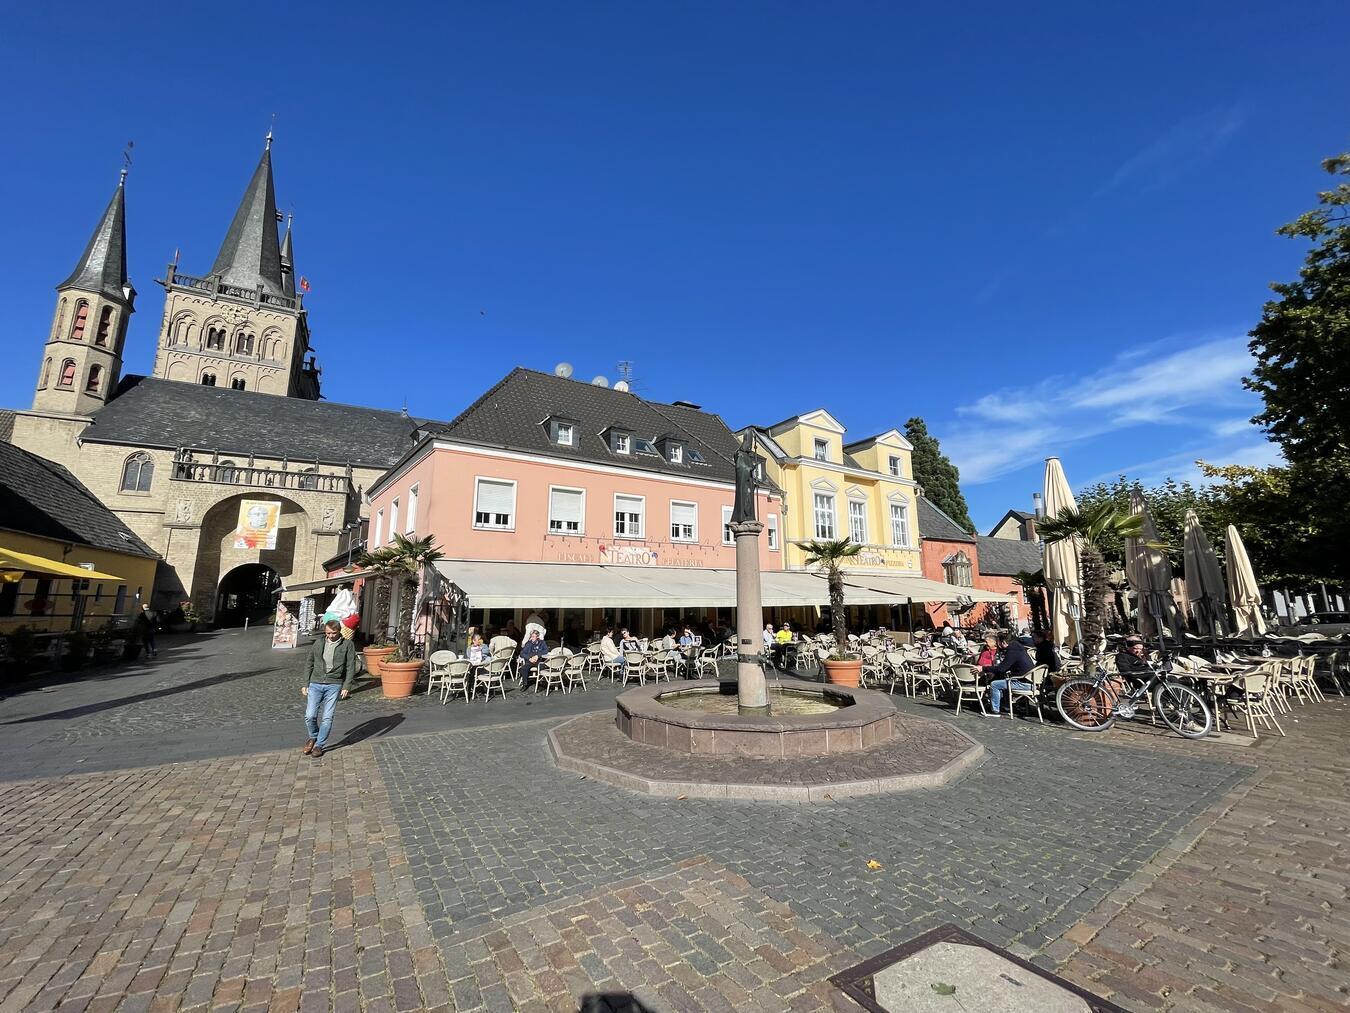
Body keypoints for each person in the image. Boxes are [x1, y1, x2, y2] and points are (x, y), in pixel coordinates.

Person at [302, 619, 357, 758]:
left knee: (327, 717)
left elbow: (351, 666)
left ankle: (319, 745)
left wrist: (346, 686)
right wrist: (305, 683)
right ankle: (313, 736)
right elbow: (310, 662)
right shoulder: (319, 642)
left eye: (333, 633)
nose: (330, 636)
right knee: (310, 715)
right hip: (315, 682)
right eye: (328, 633)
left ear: (339, 631)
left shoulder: (347, 645)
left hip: (334, 684)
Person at [987, 633, 1034, 714]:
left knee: (994, 684)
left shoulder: (1012, 650)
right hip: (1032, 681)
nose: (998, 645)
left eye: (999, 643)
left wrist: (984, 668)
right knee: (1004, 682)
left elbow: (1001, 669)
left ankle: (995, 710)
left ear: (1004, 642)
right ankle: (1007, 706)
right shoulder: (1018, 647)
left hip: (1023, 683)